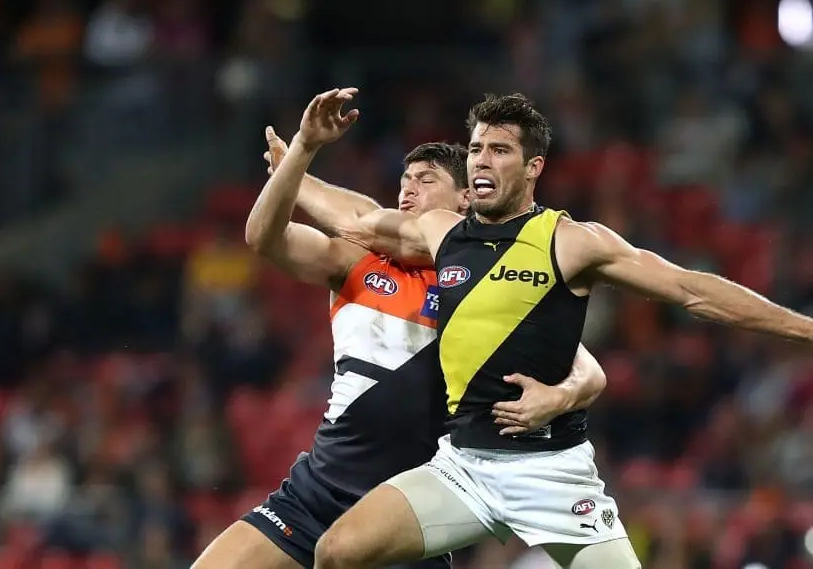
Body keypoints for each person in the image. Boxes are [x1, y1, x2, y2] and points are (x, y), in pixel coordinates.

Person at [302, 90, 813, 569]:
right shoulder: (442, 233)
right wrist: (296, 158)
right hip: (463, 466)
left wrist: (809, 331)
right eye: (477, 148)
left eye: (500, 150)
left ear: (533, 167)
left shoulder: (571, 241)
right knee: (337, 552)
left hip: (552, 474)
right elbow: (358, 217)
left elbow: (690, 289)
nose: (481, 160)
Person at [191, 89, 607, 569]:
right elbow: (264, 237)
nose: (408, 190)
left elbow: (587, 369)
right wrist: (304, 147)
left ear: (466, 198)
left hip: (411, 514)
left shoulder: (490, 283)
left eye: (426, 180)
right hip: (316, 493)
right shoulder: (358, 260)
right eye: (404, 181)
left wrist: (559, 396)